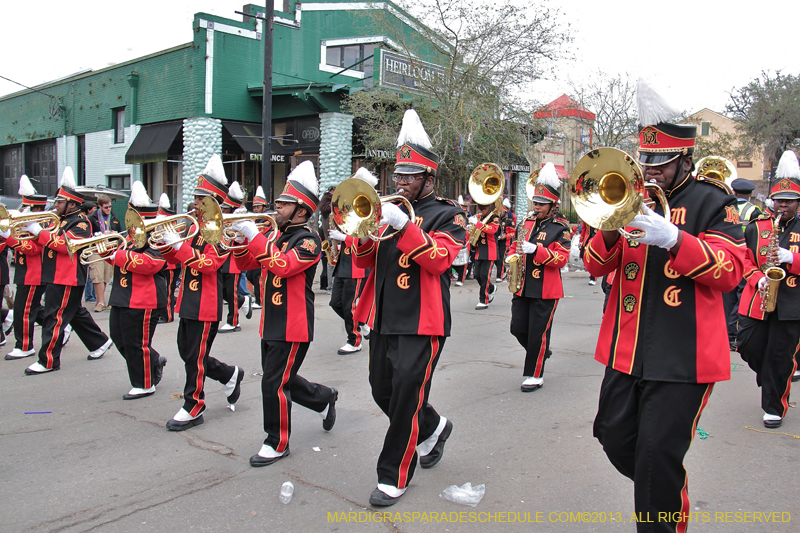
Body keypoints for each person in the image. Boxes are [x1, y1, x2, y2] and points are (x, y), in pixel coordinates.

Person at [583, 81, 745, 533]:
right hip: (625, 349)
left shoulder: (713, 201)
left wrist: (674, 238)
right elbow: (595, 265)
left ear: (685, 162)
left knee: (657, 456)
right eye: (646, 161)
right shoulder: (630, 197)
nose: (651, 172)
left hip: (683, 356)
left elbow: (730, 271)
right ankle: (664, 490)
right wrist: (612, 224)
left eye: (662, 163)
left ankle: (661, 505)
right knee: (613, 437)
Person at [352, 109, 467, 506]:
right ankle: (434, 427)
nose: (399, 182)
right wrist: (359, 232)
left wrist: (405, 226)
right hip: (384, 315)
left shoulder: (449, 214)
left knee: (404, 399)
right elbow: (365, 261)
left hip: (424, 321)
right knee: (381, 390)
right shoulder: (389, 211)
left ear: (429, 179)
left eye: (409, 177)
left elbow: (439, 259)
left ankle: (393, 475)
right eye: (397, 176)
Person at [230, 161, 338, 466]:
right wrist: (241, 240)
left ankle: (276, 442)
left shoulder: (308, 239)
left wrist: (254, 236)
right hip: (273, 320)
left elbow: (283, 265)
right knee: (280, 379)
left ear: (302, 210)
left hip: (293, 324)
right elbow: (245, 266)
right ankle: (324, 397)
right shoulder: (276, 235)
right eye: (278, 203)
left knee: (273, 383)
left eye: (284, 204)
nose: (276, 208)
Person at [157, 155, 244, 430]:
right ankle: (230, 374)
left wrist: (179, 247)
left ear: (212, 202)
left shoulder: (220, 231)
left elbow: (209, 264)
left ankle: (193, 405)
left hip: (206, 302)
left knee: (194, 358)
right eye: (195, 197)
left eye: (199, 198)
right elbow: (177, 260)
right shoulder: (194, 228)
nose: (194, 203)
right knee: (188, 353)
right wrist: (164, 244)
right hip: (188, 299)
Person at [24, 167, 113, 375]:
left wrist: (38, 232)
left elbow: (66, 246)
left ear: (72, 203)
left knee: (53, 318)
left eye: (59, 202)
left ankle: (48, 360)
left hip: (67, 277)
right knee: (75, 314)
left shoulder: (81, 223)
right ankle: (99, 342)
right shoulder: (61, 220)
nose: (55, 205)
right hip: (58, 275)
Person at [737, 150, 800, 427]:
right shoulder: (758, 226)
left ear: (798, 203)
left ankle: (774, 405)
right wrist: (758, 278)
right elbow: (745, 259)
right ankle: (770, 378)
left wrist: (793, 259)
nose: (783, 206)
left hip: (792, 304)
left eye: (789, 202)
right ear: (771, 201)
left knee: (780, 356)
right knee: (748, 346)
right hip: (758, 300)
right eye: (779, 201)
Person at [509, 163, 570, 392]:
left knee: (538, 333)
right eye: (535, 203)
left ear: (553, 205)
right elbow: (515, 247)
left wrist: (537, 250)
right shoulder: (526, 222)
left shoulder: (561, 227)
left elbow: (562, 259)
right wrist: (511, 261)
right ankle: (541, 352)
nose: (537, 207)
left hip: (546, 288)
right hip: (523, 285)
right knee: (517, 328)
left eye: (542, 204)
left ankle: (534, 375)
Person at [107, 181, 168, 400]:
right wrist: (108, 253)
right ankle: (154, 360)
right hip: (123, 295)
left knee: (136, 343)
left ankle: (144, 383)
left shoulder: (156, 235)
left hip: (144, 298)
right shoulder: (129, 237)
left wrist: (119, 256)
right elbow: (120, 263)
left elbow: (153, 263)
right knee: (118, 337)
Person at [328, 168, 372, 355]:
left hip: (357, 265)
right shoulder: (349, 208)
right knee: (335, 303)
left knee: (349, 306)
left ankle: (354, 341)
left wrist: (344, 238)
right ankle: (362, 322)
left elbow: (368, 237)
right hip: (343, 262)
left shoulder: (368, 209)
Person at [3, 175, 47, 359]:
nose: (23, 210)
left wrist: (9, 238)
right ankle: (62, 327)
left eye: (27, 207)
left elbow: (33, 249)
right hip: (24, 271)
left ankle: (25, 346)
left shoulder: (43, 223)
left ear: (36, 208)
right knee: (31, 309)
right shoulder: (27, 222)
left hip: (34, 273)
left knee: (24, 310)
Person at [723, 178, 762, 350]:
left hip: (725, 255)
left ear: (734, 192)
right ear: (750, 194)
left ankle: (725, 332)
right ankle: (734, 335)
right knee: (741, 296)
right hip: (744, 257)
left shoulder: (725, 208)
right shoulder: (755, 210)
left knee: (727, 297)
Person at [218, 182, 246, 333]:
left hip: (234, 261)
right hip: (222, 259)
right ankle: (244, 299)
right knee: (223, 291)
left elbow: (241, 243)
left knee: (231, 293)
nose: (223, 211)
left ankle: (233, 322)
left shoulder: (240, 221)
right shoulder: (222, 221)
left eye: (226, 208)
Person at [88, 195, 122, 312]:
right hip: (96, 249)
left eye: (110, 207)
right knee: (98, 275)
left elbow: (120, 233)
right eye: (106, 207)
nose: (109, 209)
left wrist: (114, 233)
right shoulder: (92, 218)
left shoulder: (114, 217)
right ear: (100, 206)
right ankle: (100, 302)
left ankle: (102, 300)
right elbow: (88, 234)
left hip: (110, 249)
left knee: (107, 276)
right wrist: (101, 235)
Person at [470, 202, 500, 310]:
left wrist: (477, 224)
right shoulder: (478, 217)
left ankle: (483, 300)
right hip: (479, 250)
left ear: (488, 208)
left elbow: (492, 230)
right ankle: (491, 288)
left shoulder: (494, 218)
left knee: (484, 276)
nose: (480, 210)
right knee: (477, 275)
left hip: (490, 250)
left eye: (483, 208)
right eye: (479, 208)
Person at [156, 193, 180, 323]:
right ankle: (163, 313)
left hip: (171, 264)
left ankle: (167, 316)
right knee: (164, 291)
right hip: (164, 262)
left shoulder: (170, 226)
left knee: (168, 291)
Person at [244, 185, 268, 311]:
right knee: (250, 276)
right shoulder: (253, 219)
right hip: (252, 251)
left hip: (262, 250)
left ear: (264, 207)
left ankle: (260, 300)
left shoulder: (267, 220)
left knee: (259, 277)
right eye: (254, 207)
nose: (255, 209)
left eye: (258, 207)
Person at [494, 198, 514, 282]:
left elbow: (513, 233)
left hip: (504, 242)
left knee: (501, 259)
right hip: (496, 241)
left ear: (505, 212)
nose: (500, 213)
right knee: (495, 259)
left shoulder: (509, 221)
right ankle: (504, 271)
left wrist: (505, 236)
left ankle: (500, 276)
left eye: (502, 211)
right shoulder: (496, 220)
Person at [579, 220, 597, 285]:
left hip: (595, 237)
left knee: (594, 258)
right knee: (584, 255)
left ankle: (593, 277)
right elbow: (584, 228)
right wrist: (581, 240)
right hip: (587, 238)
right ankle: (591, 272)